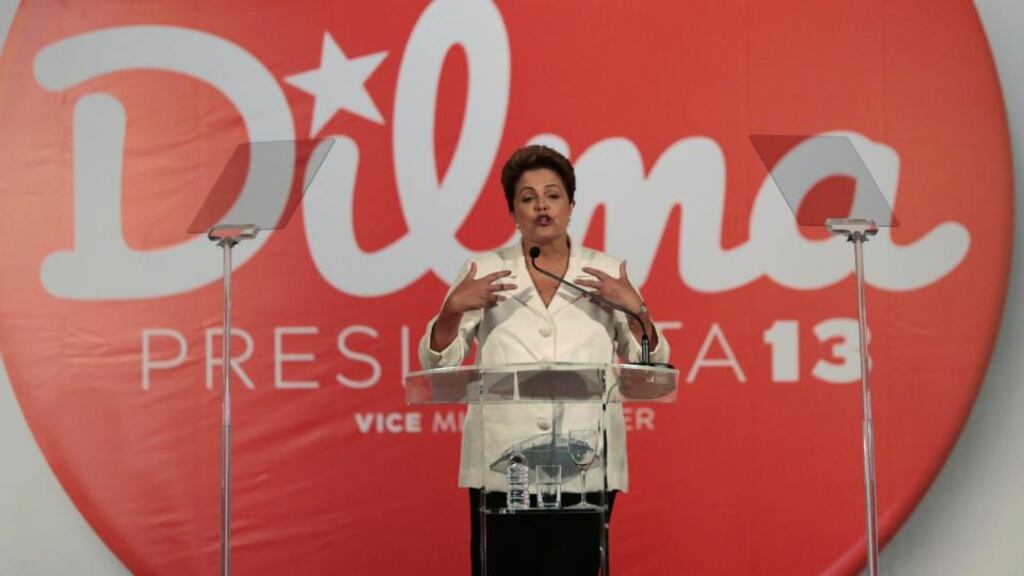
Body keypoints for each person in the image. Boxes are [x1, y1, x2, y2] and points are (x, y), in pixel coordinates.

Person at [418, 144, 671, 575]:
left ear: (571, 206)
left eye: (553, 195)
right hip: (503, 465)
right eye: (528, 197)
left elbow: (649, 368)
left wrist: (636, 310)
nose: (541, 206)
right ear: (513, 212)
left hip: (584, 464)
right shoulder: (485, 270)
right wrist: (452, 311)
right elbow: (439, 364)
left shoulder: (605, 272)